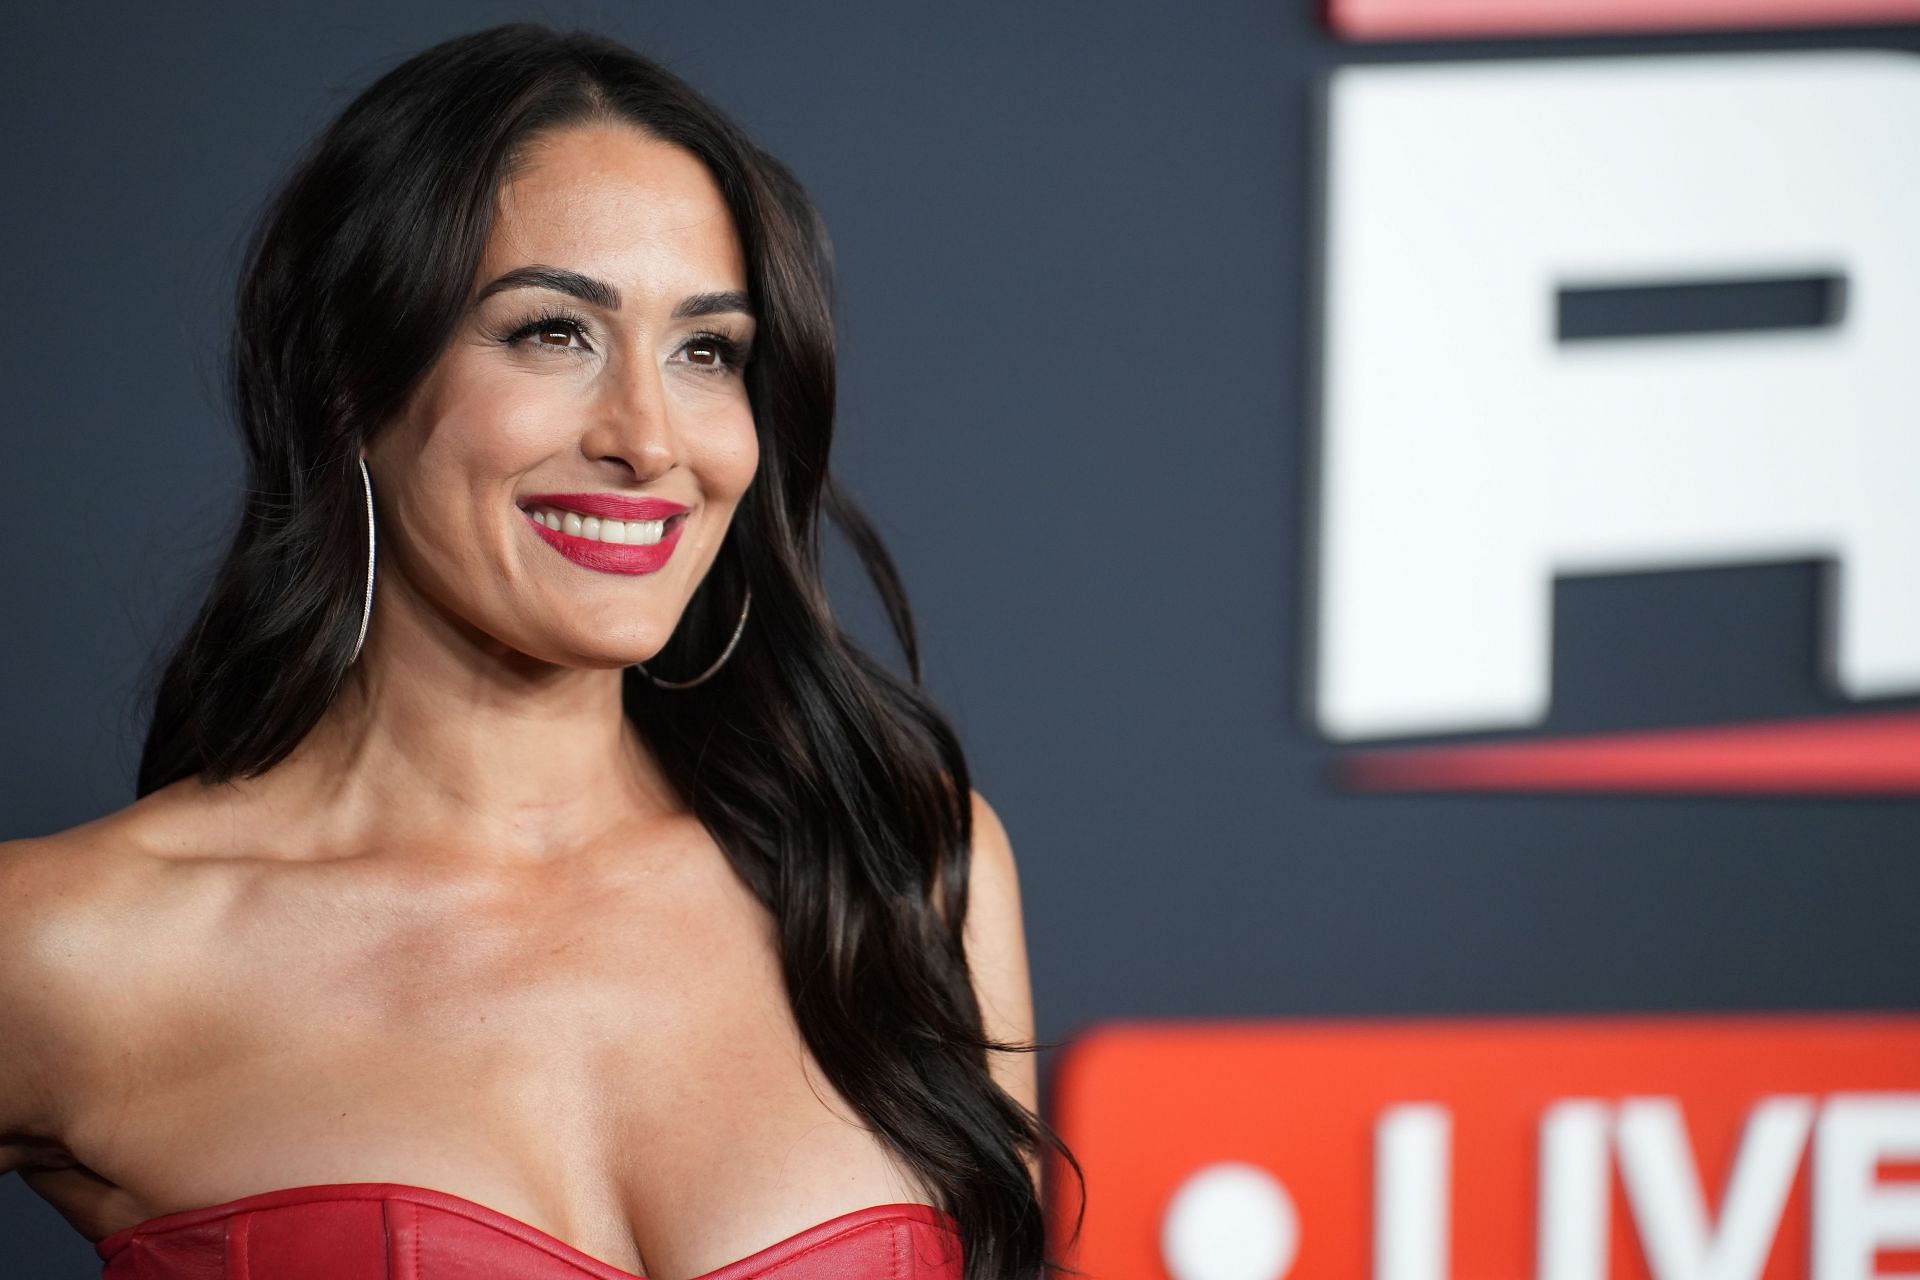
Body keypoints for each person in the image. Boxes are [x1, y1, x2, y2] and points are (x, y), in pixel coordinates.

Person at [0, 22, 1081, 1280]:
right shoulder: (69, 945)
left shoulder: (900, 866)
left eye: (706, 351)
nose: (648, 435)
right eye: (551, 332)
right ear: (351, 374)